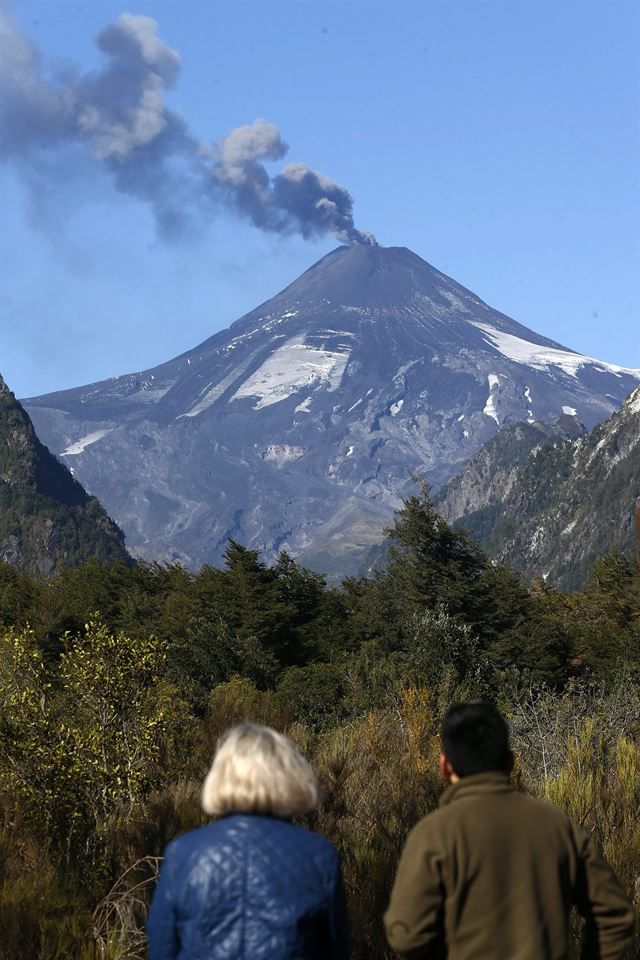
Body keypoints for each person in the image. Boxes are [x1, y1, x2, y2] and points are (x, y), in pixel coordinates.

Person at [384, 701, 634, 959]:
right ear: (510, 762)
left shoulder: (433, 834)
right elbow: (614, 915)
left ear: (445, 766)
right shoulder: (557, 826)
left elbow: (406, 936)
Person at [147, 723, 349, 960]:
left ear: (220, 776)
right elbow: (336, 949)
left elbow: (163, 948)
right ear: (290, 777)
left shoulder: (183, 853)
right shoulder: (319, 855)